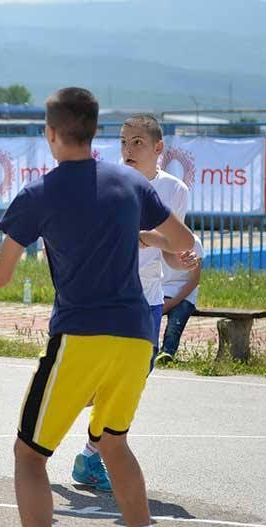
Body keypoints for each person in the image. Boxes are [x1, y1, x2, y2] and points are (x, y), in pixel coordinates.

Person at [0, 88, 193, 527]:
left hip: (80, 335)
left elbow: (1, 277)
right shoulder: (129, 182)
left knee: (29, 455)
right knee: (114, 442)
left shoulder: (39, 195)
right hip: (135, 338)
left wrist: (21, 248)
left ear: (51, 134)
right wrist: (147, 240)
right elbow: (183, 244)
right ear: (96, 132)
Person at [71, 113, 196, 492]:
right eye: (124, 141)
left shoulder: (174, 191)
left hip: (148, 298)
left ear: (158, 148)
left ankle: (90, 454)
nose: (128, 149)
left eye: (137, 142)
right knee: (103, 383)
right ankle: (68, 426)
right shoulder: (106, 183)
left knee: (132, 381)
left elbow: (173, 252)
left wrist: (176, 253)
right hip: (107, 297)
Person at [156, 234, 205, 363]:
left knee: (175, 322)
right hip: (161, 291)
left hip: (185, 294)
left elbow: (195, 280)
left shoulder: (194, 242)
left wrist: (171, 303)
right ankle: (149, 349)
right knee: (148, 315)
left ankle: (167, 352)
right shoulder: (154, 240)